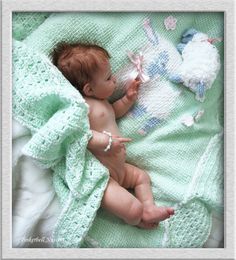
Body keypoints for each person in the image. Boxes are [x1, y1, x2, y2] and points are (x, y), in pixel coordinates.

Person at [52, 42, 174, 228]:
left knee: (142, 177)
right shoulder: (83, 108)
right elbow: (80, 135)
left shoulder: (105, 103)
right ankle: (139, 219)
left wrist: (127, 98)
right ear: (88, 89)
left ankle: (149, 208)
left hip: (120, 169)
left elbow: (114, 113)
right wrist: (106, 142)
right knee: (132, 209)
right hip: (103, 175)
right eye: (108, 78)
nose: (115, 79)